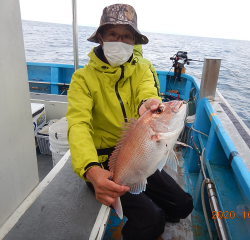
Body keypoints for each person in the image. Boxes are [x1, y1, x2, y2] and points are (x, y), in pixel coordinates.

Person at [66, 4, 193, 240]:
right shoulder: (82, 79)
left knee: (184, 205)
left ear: (134, 41)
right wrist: (90, 170)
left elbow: (147, 93)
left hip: (140, 155)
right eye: (113, 34)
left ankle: (149, 205)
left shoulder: (143, 69)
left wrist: (148, 104)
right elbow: (78, 125)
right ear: (101, 38)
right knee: (151, 223)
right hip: (104, 164)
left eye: (127, 36)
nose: (119, 40)